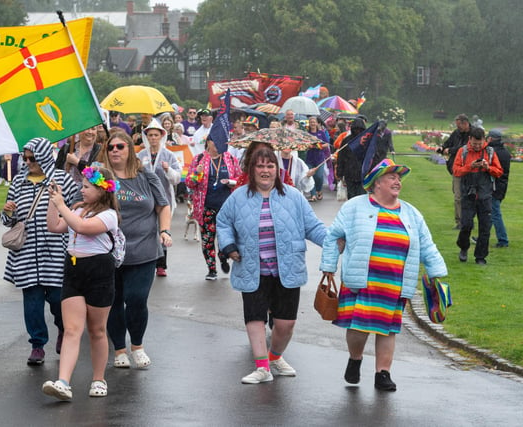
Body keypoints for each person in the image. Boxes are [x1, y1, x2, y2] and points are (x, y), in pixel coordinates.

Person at [320, 158, 447, 391]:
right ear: (376, 183)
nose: (397, 181)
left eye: (399, 178)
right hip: (361, 279)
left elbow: (427, 244)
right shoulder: (355, 207)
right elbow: (333, 236)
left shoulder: (411, 213)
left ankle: (383, 373)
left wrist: (437, 273)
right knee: (358, 327)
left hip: (394, 282)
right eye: (392, 177)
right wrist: (328, 265)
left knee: (388, 329)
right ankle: (355, 359)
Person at [216, 148, 326, 384]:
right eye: (260, 166)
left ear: (278, 170)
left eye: (270, 166)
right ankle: (262, 367)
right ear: (251, 170)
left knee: (286, 324)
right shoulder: (238, 197)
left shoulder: (294, 196)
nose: (265, 171)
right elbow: (223, 222)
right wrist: (228, 245)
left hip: (287, 268)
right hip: (252, 268)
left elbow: (313, 227)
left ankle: (275, 357)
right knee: (255, 318)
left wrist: (335, 242)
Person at [42, 165, 120, 401]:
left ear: (101, 190)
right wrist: (53, 201)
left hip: (99, 271)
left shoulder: (109, 215)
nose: (82, 190)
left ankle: (99, 378)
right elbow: (55, 227)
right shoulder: (78, 209)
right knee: (72, 330)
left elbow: (82, 228)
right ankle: (63, 382)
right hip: (74, 269)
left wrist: (62, 205)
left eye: (86, 187)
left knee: (97, 330)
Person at [97, 132, 172, 369]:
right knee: (114, 301)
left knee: (137, 299)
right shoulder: (101, 177)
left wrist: (165, 231)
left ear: (130, 149)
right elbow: (88, 201)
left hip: (144, 250)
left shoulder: (146, 176)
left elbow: (163, 206)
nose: (115, 150)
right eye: (110, 147)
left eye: (120, 146)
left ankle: (137, 345)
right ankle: (119, 348)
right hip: (108, 252)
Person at [2, 137, 77, 365]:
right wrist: (7, 212)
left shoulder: (63, 180)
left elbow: (75, 212)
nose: (28, 162)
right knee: (32, 303)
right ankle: (37, 344)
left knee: (57, 298)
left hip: (55, 249)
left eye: (32, 158)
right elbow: (8, 220)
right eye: (25, 158)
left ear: (44, 156)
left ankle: (63, 328)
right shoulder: (18, 182)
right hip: (25, 252)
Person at [185, 138, 241, 280]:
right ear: (208, 142)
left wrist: (231, 182)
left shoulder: (231, 159)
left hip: (226, 208)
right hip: (206, 207)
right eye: (215, 142)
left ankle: (223, 257)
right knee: (208, 240)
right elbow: (189, 183)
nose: (218, 145)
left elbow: (240, 180)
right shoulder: (199, 159)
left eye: (220, 142)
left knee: (225, 237)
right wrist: (197, 173)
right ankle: (211, 269)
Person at [137, 119, 182, 277]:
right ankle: (147, 260)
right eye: (150, 135)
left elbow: (177, 178)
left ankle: (161, 265)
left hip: (164, 199)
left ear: (161, 136)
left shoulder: (169, 155)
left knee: (162, 230)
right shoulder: (140, 155)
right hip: (145, 199)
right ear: (146, 137)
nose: (153, 138)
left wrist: (168, 169)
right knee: (148, 229)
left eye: (156, 135)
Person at [453, 127, 503, 265]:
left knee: (485, 227)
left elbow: (499, 172)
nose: (476, 146)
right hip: (468, 194)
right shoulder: (462, 151)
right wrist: (470, 166)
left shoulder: (490, 152)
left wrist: (488, 168)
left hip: (485, 194)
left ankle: (480, 256)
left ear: (484, 141)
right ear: (470, 140)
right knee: (466, 225)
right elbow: (456, 171)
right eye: (474, 144)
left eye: (479, 144)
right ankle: (463, 247)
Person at [440, 114, 472, 229]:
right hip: (457, 169)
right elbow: (448, 143)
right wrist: (442, 148)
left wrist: (451, 150)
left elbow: (466, 148)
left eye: (459, 125)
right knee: (457, 196)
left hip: (470, 170)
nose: (458, 127)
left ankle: (468, 220)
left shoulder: (473, 134)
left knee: (469, 196)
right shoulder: (456, 133)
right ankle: (460, 221)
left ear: (465, 123)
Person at [55, 125, 103, 201]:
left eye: (93, 129)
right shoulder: (67, 148)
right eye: (87, 128)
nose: (90, 132)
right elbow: (56, 172)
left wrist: (77, 162)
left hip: (86, 199)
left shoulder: (101, 152)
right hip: (64, 195)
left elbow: (98, 178)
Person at [486, 129, 510, 248]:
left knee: (495, 213)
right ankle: (483, 236)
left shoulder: (492, 152)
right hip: (502, 186)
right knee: (491, 213)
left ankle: (503, 239)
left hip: (494, 186)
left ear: (490, 138)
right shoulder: (505, 151)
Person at [335, 118, 367, 199]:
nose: (358, 131)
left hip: (362, 172)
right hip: (349, 172)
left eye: (360, 129)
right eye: (356, 129)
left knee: (361, 195)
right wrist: (339, 172)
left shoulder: (366, 140)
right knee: (351, 194)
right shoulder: (346, 141)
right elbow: (341, 156)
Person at [304, 116, 331, 202]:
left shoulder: (321, 133)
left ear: (317, 123)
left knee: (319, 176)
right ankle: (313, 194)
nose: (312, 123)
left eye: (314, 122)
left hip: (319, 158)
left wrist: (319, 146)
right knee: (310, 176)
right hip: (309, 158)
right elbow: (304, 145)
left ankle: (319, 190)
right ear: (309, 123)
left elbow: (326, 144)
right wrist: (309, 146)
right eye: (311, 122)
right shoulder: (306, 134)